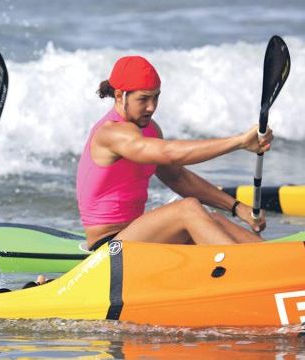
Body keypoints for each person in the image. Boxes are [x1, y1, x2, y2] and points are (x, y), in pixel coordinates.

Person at [76, 56, 273, 250]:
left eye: (156, 97)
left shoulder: (150, 129)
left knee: (212, 220)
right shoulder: (111, 132)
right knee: (187, 209)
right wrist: (238, 141)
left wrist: (237, 207)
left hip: (142, 235)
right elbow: (169, 153)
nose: (152, 107)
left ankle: (274, 258)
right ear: (120, 96)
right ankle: (245, 268)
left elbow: (179, 178)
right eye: (143, 99)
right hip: (108, 247)